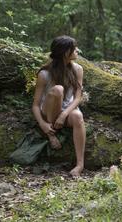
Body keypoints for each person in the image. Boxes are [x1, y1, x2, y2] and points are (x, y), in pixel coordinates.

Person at [31, 35, 86, 177]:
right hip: (48, 110)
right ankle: (50, 134)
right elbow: (36, 105)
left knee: (78, 116)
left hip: (67, 110)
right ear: (65, 52)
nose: (77, 50)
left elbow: (78, 97)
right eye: (74, 49)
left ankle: (79, 165)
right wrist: (42, 123)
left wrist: (64, 114)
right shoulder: (44, 74)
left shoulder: (78, 69)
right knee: (58, 90)